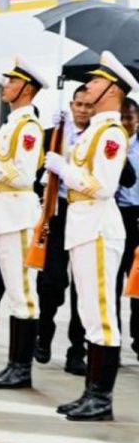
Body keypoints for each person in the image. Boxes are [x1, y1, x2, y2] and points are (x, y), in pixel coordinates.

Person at [46, 52, 135, 421]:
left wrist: (64, 169)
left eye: (96, 82)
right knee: (87, 310)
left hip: (98, 227)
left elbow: (103, 186)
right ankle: (90, 393)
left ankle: (101, 397)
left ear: (112, 89)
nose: (90, 86)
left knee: (101, 315)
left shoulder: (112, 132)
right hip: (82, 227)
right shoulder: (94, 130)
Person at [0, 58, 46, 390]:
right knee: (16, 292)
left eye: (13, 80)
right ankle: (14, 365)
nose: (7, 84)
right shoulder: (12, 124)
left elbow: (24, 175)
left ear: (27, 88)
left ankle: (22, 368)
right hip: (3, 212)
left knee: (23, 294)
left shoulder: (28, 127)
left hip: (18, 214)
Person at [34, 85, 94, 374]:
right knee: (51, 283)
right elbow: (34, 178)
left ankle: (76, 350)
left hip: (85, 213)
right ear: (71, 105)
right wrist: (46, 176)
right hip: (57, 214)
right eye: (79, 104)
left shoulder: (98, 137)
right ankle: (43, 336)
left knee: (82, 286)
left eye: (88, 105)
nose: (83, 110)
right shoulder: (52, 135)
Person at [115, 97, 139, 359]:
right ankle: (113, 341)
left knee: (138, 281)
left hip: (138, 217)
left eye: (129, 117)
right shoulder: (110, 142)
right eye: (121, 117)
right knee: (112, 281)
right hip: (117, 215)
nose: (124, 122)